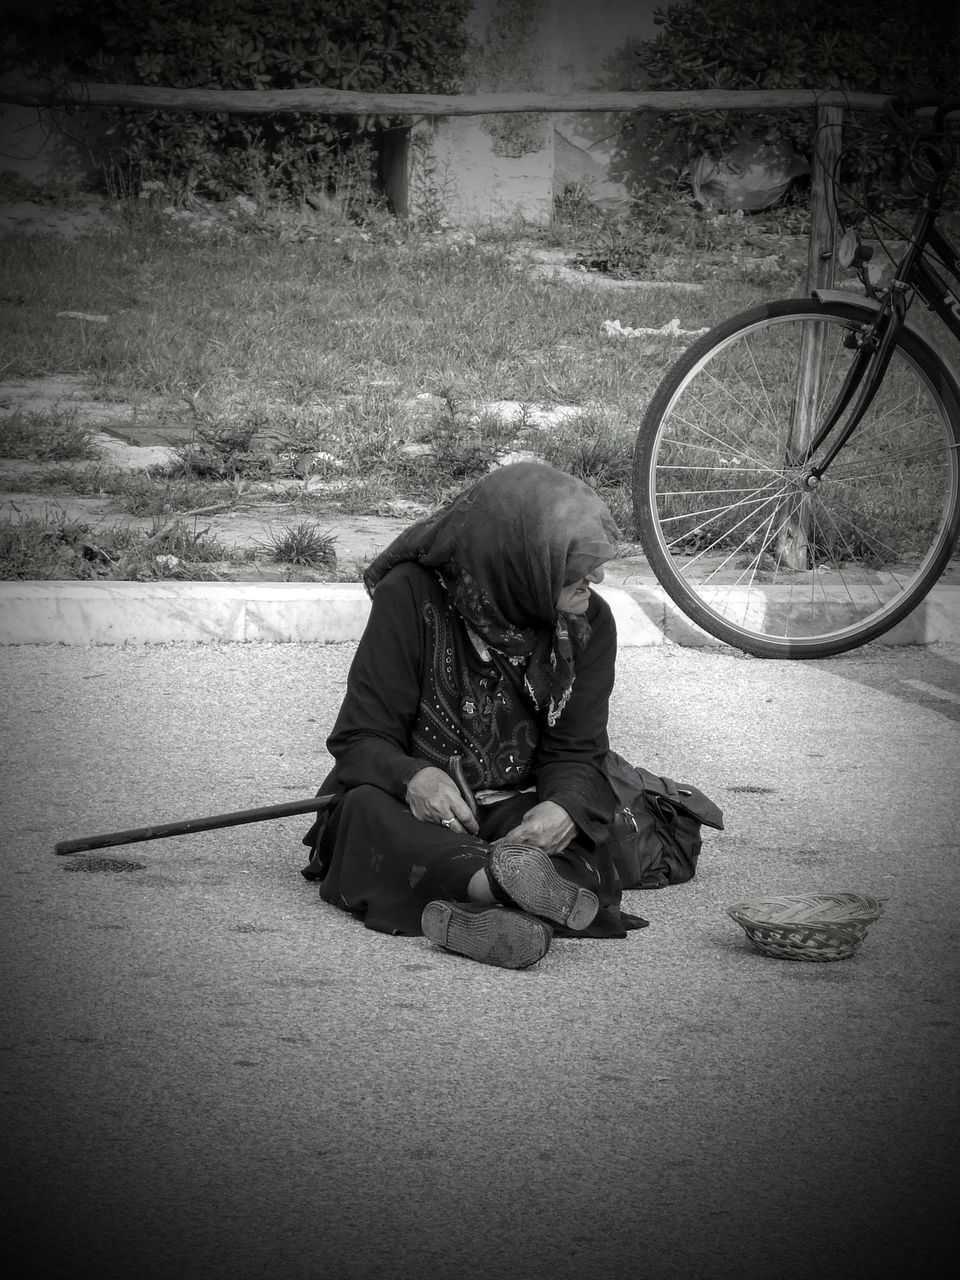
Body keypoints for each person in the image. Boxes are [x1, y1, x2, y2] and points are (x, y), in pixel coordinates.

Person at [301, 460, 647, 968]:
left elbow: (577, 750)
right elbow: (360, 738)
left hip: (511, 806)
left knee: (592, 827)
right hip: (414, 806)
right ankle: (498, 889)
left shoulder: (588, 623)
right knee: (362, 813)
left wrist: (564, 809)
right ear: (520, 560)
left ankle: (493, 904)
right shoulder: (410, 596)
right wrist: (414, 777)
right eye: (572, 565)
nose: (594, 577)